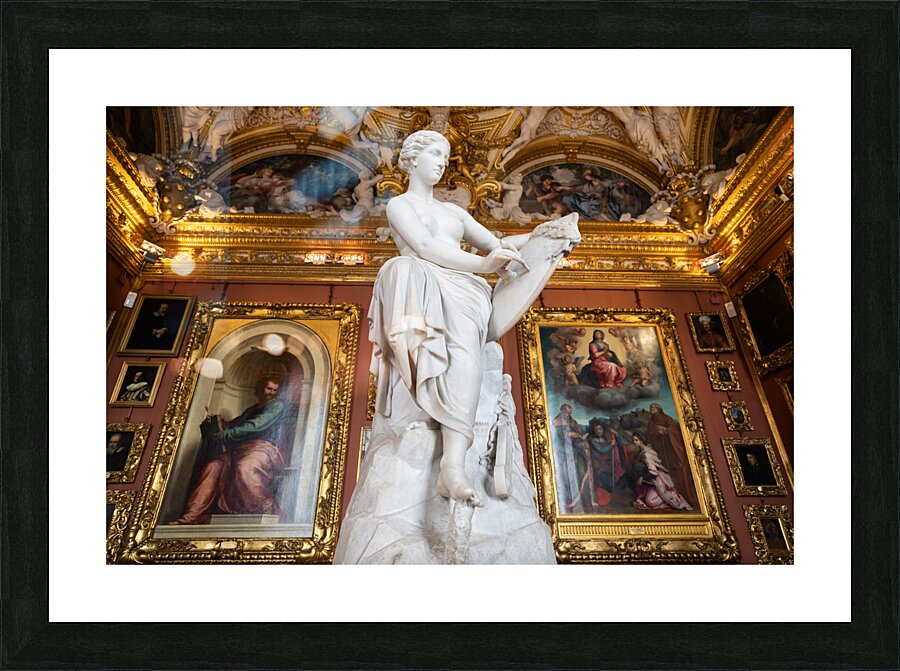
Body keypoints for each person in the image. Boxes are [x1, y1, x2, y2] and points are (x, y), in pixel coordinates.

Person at [368, 130, 527, 507]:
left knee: (467, 358)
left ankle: (452, 465)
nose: (442, 162)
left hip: (465, 291)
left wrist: (543, 236)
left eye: (445, 156)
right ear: (412, 159)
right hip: (422, 284)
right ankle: (446, 458)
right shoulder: (399, 205)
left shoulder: (454, 212)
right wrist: (483, 265)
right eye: (435, 154)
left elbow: (497, 246)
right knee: (403, 267)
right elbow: (425, 247)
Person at [169, 374, 286, 524]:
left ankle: (265, 507)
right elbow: (234, 425)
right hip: (237, 450)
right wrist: (216, 422)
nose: (271, 393)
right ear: (260, 388)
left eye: (275, 390)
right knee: (212, 467)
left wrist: (226, 434)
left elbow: (256, 425)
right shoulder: (252, 409)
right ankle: (191, 516)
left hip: (262, 448)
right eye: (269, 388)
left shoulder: (277, 406)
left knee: (244, 468)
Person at [630, 432, 693, 510]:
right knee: (643, 497)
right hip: (650, 479)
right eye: (633, 440)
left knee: (650, 502)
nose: (634, 442)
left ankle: (672, 495)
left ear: (642, 440)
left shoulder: (647, 454)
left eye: (636, 440)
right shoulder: (642, 452)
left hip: (658, 478)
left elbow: (653, 471)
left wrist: (642, 477)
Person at [646, 403, 694, 499]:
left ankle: (680, 493)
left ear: (659, 408)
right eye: (650, 407)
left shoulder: (667, 419)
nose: (652, 409)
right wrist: (656, 433)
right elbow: (650, 434)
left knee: (673, 470)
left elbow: (675, 432)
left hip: (671, 449)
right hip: (660, 450)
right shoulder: (650, 421)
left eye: (654, 407)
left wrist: (666, 431)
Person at [586, 419, 631, 506]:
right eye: (596, 429)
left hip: (608, 464)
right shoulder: (592, 440)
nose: (598, 431)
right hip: (600, 465)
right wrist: (611, 445)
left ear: (603, 429)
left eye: (600, 429)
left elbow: (619, 445)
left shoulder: (605, 438)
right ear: (593, 430)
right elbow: (601, 450)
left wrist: (616, 436)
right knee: (605, 484)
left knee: (618, 479)